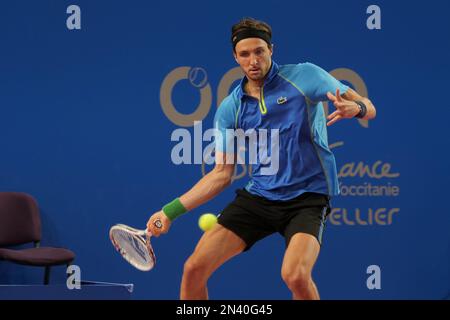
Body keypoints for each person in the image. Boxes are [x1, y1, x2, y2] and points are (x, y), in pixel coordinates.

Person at [147, 17, 376, 300]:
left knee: (295, 275)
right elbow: (221, 174)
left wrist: (357, 107)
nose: (253, 60)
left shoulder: (305, 76)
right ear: (236, 58)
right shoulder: (230, 109)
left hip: (308, 198)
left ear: (271, 50)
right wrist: (169, 212)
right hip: (260, 197)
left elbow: (368, 106)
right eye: (245, 54)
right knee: (194, 268)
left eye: (259, 51)